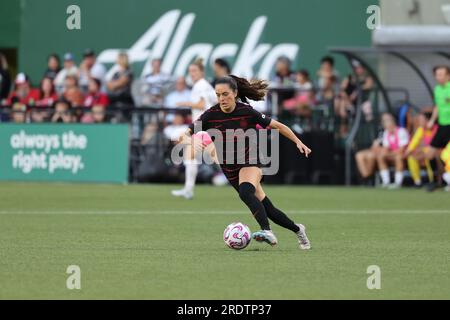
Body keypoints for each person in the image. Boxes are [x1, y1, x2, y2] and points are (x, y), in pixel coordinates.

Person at [176, 75, 312, 249]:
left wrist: (298, 142)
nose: (221, 99)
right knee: (267, 208)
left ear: (235, 93)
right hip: (229, 168)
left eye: (225, 94)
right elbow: (186, 134)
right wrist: (187, 139)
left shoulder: (246, 111)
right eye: (218, 95)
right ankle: (298, 229)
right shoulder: (211, 114)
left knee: (246, 193)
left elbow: (278, 126)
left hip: (251, 161)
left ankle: (267, 231)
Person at [171, 58, 218, 199]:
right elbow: (214, 102)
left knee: (217, 159)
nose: (192, 73)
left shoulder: (200, 86)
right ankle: (188, 189)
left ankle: (246, 181)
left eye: (194, 71)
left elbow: (202, 105)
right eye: (190, 71)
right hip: (206, 126)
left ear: (202, 72)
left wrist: (185, 103)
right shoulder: (206, 85)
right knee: (191, 156)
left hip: (204, 127)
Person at [425, 65, 450, 191]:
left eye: (441, 74)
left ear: (448, 76)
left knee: (447, 155)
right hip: (442, 126)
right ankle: (436, 181)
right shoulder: (437, 89)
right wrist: (431, 120)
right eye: (437, 75)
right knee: (429, 153)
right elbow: (437, 107)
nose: (438, 77)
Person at [376, 113, 410, 188]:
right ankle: (386, 181)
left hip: (404, 154)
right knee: (380, 157)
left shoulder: (401, 131)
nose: (387, 127)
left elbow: (401, 150)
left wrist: (388, 154)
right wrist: (384, 154)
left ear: (393, 124)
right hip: (393, 154)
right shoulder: (386, 133)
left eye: (388, 124)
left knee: (398, 157)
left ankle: (398, 182)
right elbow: (386, 148)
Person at [405, 112, 438, 187]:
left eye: (421, 120)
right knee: (411, 157)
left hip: (438, 154)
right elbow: (414, 142)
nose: (419, 122)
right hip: (426, 153)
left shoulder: (437, 129)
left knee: (429, 156)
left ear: (428, 120)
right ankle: (417, 182)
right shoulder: (421, 129)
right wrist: (408, 151)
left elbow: (437, 145)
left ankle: (432, 181)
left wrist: (423, 150)